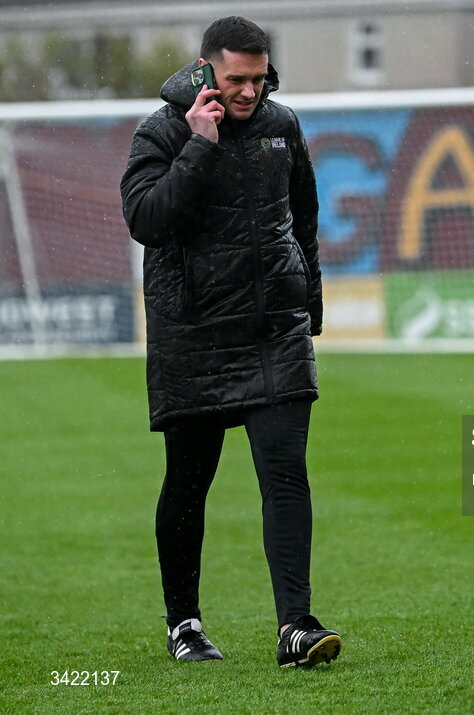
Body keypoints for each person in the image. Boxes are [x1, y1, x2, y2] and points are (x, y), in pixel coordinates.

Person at [120, 16, 340, 669]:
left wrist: (310, 302)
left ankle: (295, 625)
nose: (250, 91)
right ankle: (184, 623)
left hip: (275, 328)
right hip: (194, 334)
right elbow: (147, 220)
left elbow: (303, 219)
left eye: (259, 77)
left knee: (285, 474)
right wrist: (201, 144)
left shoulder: (283, 126)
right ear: (207, 69)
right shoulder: (161, 131)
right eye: (237, 78)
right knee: (189, 482)